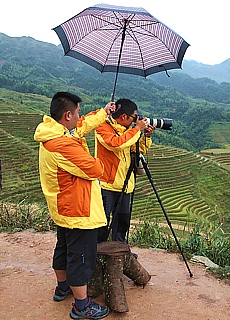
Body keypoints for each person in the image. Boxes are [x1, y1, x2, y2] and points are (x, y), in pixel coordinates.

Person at [34, 92, 115, 320]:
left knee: (63, 248)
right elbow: (95, 169)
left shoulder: (52, 133)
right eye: (78, 113)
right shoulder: (62, 144)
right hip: (78, 211)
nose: (79, 118)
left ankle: (63, 288)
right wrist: (102, 159)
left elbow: (80, 128)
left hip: (63, 207)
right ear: (68, 114)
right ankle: (81, 305)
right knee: (80, 256)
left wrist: (103, 113)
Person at [95, 98, 156, 244]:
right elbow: (116, 144)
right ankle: (97, 253)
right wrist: (137, 130)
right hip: (106, 184)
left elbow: (137, 150)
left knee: (122, 222)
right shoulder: (102, 127)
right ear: (123, 116)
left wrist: (145, 137)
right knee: (101, 223)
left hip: (125, 184)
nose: (136, 119)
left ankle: (119, 252)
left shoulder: (129, 131)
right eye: (133, 116)